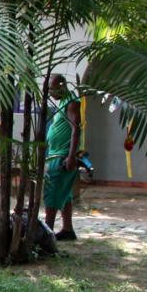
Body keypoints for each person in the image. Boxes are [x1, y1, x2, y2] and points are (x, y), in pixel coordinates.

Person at [43, 73, 83, 240]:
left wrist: (71, 156)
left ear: (61, 86)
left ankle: (47, 235)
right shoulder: (64, 102)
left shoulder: (71, 102)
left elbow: (76, 129)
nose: (50, 93)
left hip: (62, 157)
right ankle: (68, 230)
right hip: (56, 154)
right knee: (65, 194)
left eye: (51, 89)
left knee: (51, 196)